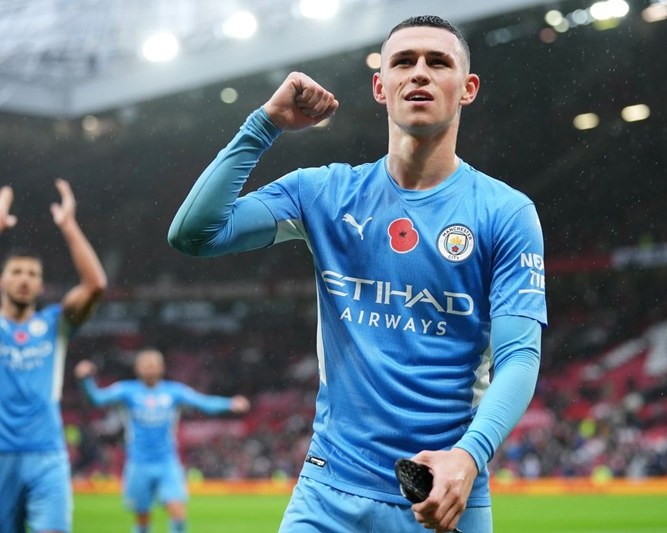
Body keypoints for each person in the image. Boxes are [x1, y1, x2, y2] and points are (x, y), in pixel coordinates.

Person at [168, 15, 546, 533]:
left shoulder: (505, 213)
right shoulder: (323, 193)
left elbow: (519, 356)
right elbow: (195, 234)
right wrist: (264, 124)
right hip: (327, 497)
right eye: (403, 62)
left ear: (468, 88)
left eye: (438, 62)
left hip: (441, 497)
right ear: (380, 86)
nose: (419, 72)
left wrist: (469, 456)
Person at [0, 180, 107, 533]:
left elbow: (95, 285)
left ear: (41, 285)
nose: (24, 279)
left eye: (32, 274)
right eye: (16, 272)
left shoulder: (55, 324)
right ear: (2, 280)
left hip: (47, 455)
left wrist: (68, 225)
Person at [74, 349, 251, 533]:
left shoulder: (174, 392)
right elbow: (96, 399)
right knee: (142, 518)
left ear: (161, 368)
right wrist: (84, 380)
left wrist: (229, 404)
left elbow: (203, 403)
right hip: (138, 463)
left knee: (178, 512)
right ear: (137, 368)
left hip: (167, 463)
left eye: (153, 365)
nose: (149, 368)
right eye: (146, 365)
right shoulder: (127, 391)